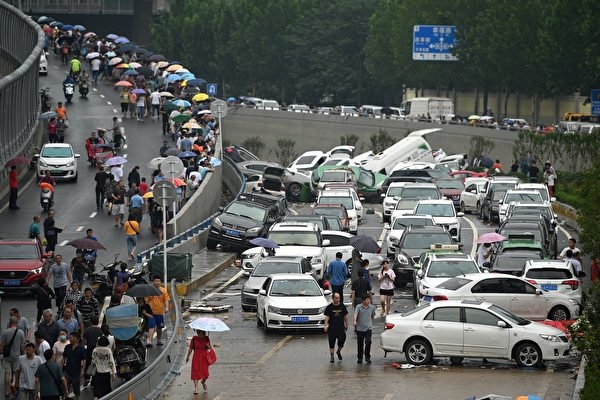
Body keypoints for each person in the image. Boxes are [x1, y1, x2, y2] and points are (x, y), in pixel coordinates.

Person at [1, 316, 25, 398]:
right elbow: (22, 346)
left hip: (7, 356)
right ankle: (14, 384)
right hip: (16, 356)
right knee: (15, 372)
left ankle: (7, 391)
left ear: (10, 323)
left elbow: (2, 345)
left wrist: (1, 353)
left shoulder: (5, 332)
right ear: (17, 323)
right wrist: (23, 354)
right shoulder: (21, 332)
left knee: (7, 373)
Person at [324, 292, 348, 363]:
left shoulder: (342, 306)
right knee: (331, 343)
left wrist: (346, 324)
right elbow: (327, 317)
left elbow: (345, 316)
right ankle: (332, 356)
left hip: (341, 328)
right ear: (333, 298)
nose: (338, 299)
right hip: (332, 328)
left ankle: (338, 351)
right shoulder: (329, 307)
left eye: (339, 298)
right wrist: (325, 325)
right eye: (336, 298)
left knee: (342, 340)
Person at [146, 276, 170, 346]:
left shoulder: (163, 290)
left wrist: (167, 308)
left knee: (160, 327)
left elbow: (166, 300)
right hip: (151, 313)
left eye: (158, 281)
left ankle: (158, 340)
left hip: (160, 312)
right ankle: (149, 341)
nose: (157, 282)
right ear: (153, 281)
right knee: (151, 327)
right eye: (156, 281)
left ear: (160, 282)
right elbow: (147, 301)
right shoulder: (150, 290)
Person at [62, 332, 85, 399]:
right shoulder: (67, 347)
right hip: (67, 371)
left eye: (71, 337)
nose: (69, 339)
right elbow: (64, 358)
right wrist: (61, 369)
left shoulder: (81, 348)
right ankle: (65, 398)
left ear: (76, 338)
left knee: (76, 389)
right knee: (65, 387)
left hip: (76, 372)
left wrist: (82, 370)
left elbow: (84, 360)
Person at [353, 296, 375, 364]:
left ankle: (367, 357)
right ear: (363, 301)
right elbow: (355, 314)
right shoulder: (358, 307)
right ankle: (360, 358)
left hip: (368, 328)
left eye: (369, 300)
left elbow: (372, 316)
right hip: (360, 329)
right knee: (360, 344)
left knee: (368, 342)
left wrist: (370, 323)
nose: (368, 301)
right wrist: (354, 321)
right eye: (367, 300)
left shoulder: (372, 307)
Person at [82, 316, 103, 387]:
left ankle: (86, 378)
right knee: (96, 365)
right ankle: (94, 380)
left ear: (91, 322)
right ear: (97, 322)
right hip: (97, 350)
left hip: (89, 349)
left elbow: (84, 340)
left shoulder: (87, 330)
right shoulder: (100, 331)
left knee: (88, 364)